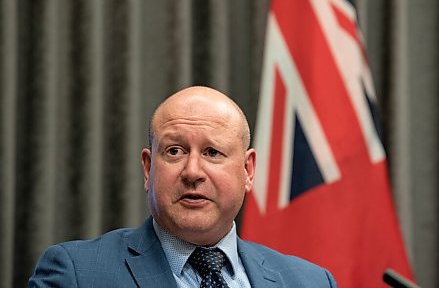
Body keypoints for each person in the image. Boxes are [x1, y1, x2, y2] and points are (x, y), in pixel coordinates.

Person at [29, 86, 337, 287]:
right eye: (174, 151)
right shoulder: (77, 274)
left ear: (247, 170)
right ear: (148, 168)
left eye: (212, 153)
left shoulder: (311, 282)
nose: (192, 172)